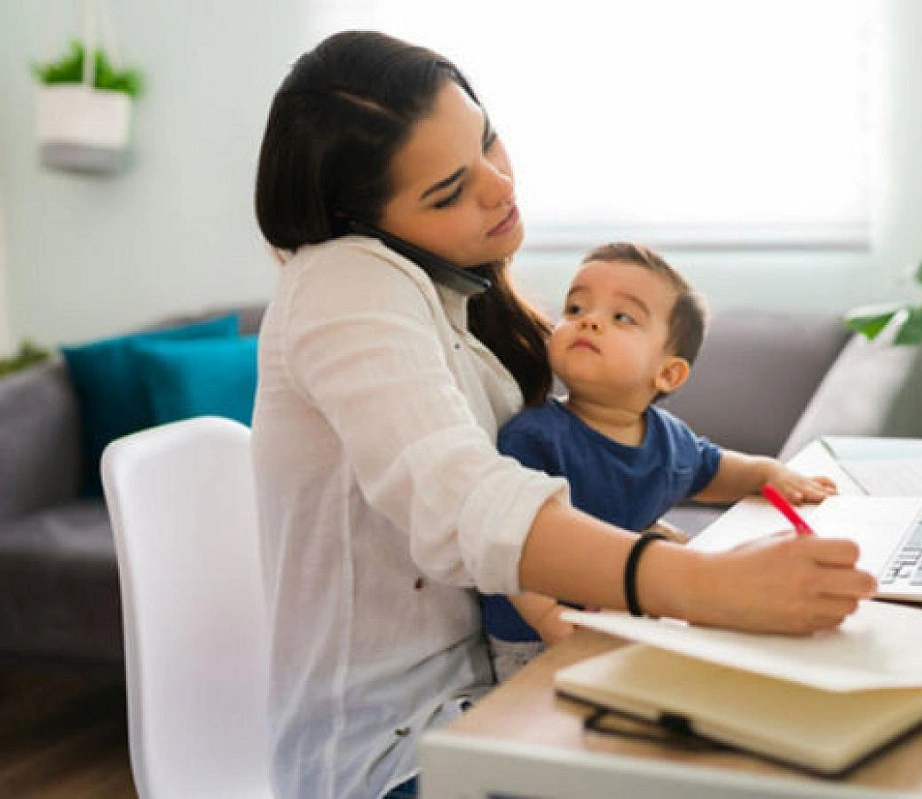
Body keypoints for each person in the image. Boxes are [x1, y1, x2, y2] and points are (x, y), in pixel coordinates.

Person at [252, 30, 876, 799]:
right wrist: (698, 583)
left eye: (487, 141)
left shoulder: (454, 298)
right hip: (395, 752)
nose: (498, 186)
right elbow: (460, 498)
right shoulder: (344, 284)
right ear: (363, 221)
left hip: (511, 691)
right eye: (449, 192)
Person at [482, 242, 839, 681]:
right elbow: (511, 542)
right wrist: (546, 616)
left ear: (668, 374)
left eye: (622, 317)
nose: (589, 320)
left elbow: (714, 470)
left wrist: (769, 473)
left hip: (629, 611)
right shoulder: (534, 437)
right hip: (534, 634)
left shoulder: (668, 439)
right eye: (575, 308)